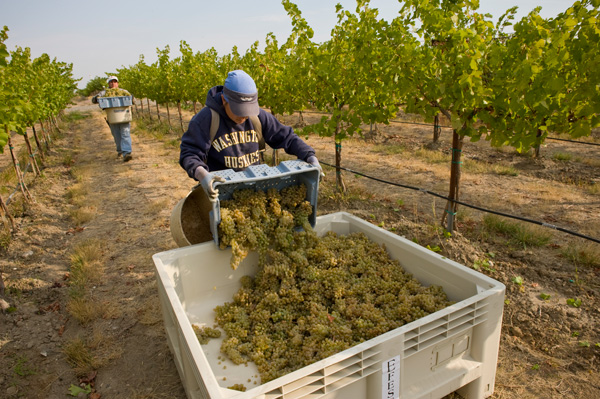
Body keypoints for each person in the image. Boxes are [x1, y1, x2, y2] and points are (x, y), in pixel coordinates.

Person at [180, 70, 323, 201]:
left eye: (248, 110)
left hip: (254, 190)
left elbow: (288, 137)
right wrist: (201, 174)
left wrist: (309, 155)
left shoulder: (257, 117)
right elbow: (189, 154)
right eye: (239, 110)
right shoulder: (206, 120)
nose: (244, 116)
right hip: (221, 192)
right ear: (224, 100)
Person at [92, 76, 133, 162]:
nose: (113, 83)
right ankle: (120, 151)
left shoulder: (123, 92)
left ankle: (127, 153)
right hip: (113, 117)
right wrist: (96, 98)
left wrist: (132, 99)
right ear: (108, 84)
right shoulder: (104, 93)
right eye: (111, 82)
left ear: (117, 83)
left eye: (115, 82)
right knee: (117, 135)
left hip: (124, 116)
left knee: (125, 133)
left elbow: (132, 99)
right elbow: (94, 99)